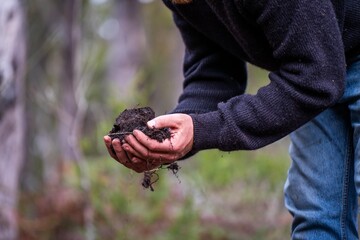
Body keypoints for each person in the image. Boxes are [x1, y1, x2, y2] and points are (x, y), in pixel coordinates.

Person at [104, 0, 360, 239]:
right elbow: (215, 67)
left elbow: (315, 76)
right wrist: (173, 134)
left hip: (319, 67)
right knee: (316, 214)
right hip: (317, 64)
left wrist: (203, 129)